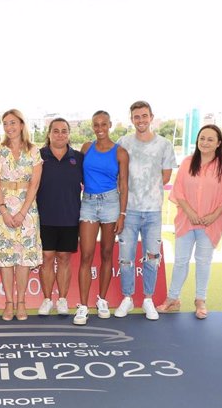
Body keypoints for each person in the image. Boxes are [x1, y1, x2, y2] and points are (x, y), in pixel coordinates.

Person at [156, 125, 222, 319]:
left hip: (211, 223)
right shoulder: (188, 162)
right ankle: (173, 298)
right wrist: (190, 212)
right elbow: (179, 190)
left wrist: (213, 216)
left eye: (210, 139)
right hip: (186, 220)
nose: (205, 142)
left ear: (218, 143)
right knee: (180, 261)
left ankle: (200, 300)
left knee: (203, 262)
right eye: (202, 138)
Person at [115, 100, 176, 321]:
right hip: (128, 211)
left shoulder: (164, 145)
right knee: (125, 258)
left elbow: (166, 175)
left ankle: (148, 299)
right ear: (132, 119)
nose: (141, 120)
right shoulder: (123, 142)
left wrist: (146, 187)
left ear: (151, 117)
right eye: (136, 117)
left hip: (152, 212)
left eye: (144, 116)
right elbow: (117, 173)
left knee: (151, 257)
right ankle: (128, 298)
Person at [0, 109, 42, 321]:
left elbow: (35, 184)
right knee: (6, 257)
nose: (9, 128)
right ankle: (9, 302)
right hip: (1, 210)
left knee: (24, 258)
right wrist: (3, 210)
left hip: (27, 209)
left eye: (13, 123)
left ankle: (21, 302)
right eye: (6, 124)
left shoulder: (34, 151)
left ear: (21, 124)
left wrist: (23, 211)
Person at [74, 111, 128, 326]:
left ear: (110, 124)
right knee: (86, 255)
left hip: (110, 204)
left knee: (107, 253)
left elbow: (124, 185)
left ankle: (102, 300)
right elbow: (76, 174)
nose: (99, 128)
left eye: (103, 124)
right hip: (87, 203)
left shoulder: (120, 152)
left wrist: (122, 214)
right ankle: (83, 305)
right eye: (96, 125)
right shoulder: (86, 147)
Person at [37, 118, 83, 317]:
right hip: (44, 216)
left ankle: (62, 300)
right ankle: (47, 300)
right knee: (47, 258)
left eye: (64, 131)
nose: (60, 134)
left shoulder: (78, 158)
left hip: (70, 216)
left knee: (64, 258)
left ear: (69, 134)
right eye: (56, 131)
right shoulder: (38, 156)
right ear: (49, 134)